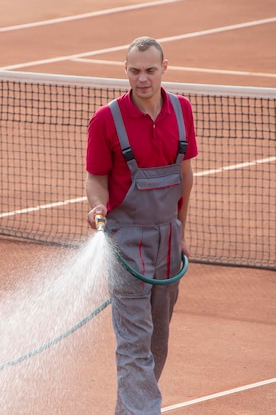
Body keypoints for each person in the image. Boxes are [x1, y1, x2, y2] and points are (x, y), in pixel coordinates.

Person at [84, 37, 198, 415]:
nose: (142, 79)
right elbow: (95, 176)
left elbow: (185, 175)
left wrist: (180, 230)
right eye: (134, 71)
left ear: (165, 68)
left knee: (156, 343)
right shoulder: (106, 120)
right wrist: (98, 205)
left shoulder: (182, 110)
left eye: (150, 70)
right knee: (134, 343)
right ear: (126, 71)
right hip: (125, 244)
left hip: (167, 240)